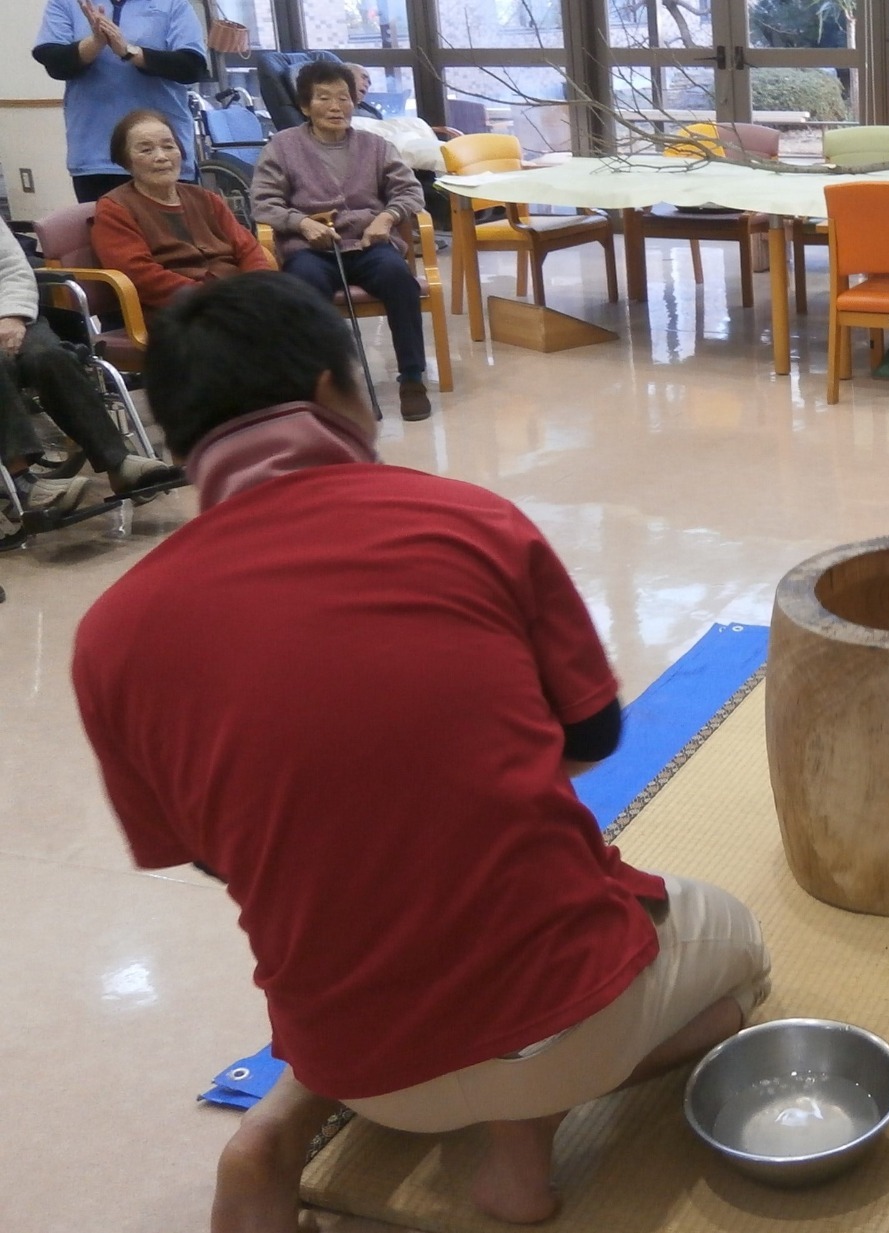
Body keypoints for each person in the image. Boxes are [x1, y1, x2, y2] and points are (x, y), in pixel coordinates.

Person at [72, 272, 772, 1231]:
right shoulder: (469, 520)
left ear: (178, 437)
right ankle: (520, 1154)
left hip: (359, 1066)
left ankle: (277, 1125)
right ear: (332, 393)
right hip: (569, 1015)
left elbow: (206, 848)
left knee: (374, 928)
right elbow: (596, 737)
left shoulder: (112, 634)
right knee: (739, 957)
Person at [251, 59, 434, 422]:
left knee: (400, 280)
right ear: (305, 106)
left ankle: (412, 377)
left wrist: (387, 217)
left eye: (344, 97)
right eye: (324, 98)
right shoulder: (283, 147)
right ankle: (324, 383)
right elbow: (263, 201)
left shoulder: (376, 145)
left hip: (368, 244)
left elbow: (411, 192)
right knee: (303, 287)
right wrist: (301, 224)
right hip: (312, 248)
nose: (336, 106)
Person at [1, 222, 178, 516]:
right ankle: (21, 480)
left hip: (9, 315)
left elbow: (12, 268)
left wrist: (13, 315)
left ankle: (118, 462)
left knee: (49, 356)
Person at [93, 108, 273, 318]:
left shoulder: (206, 198)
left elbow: (248, 249)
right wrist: (216, 299)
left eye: (168, 146)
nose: (161, 157)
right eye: (146, 150)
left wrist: (260, 289)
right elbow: (141, 277)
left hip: (238, 300)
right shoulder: (115, 209)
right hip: (180, 313)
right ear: (126, 160)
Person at [32, 0, 206, 203]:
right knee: (106, 231)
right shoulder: (66, 3)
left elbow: (191, 67)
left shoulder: (173, 4)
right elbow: (55, 63)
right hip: (95, 156)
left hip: (162, 155)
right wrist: (96, 42)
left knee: (171, 233)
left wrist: (128, 51)